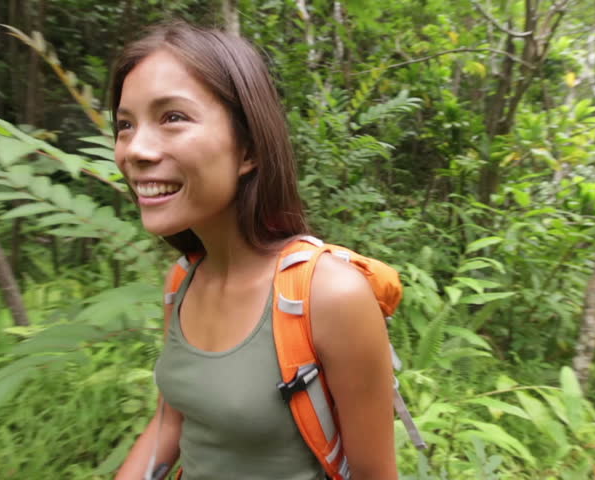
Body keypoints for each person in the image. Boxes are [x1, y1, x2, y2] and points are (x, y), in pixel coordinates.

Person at [111, 21, 398, 480]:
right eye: (125, 125)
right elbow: (173, 420)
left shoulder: (330, 296)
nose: (135, 149)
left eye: (172, 117)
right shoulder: (182, 282)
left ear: (249, 149)